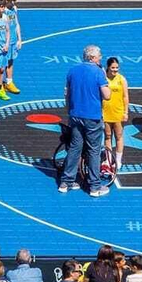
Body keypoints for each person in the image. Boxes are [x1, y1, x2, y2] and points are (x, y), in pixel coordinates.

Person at [61, 45, 110, 197]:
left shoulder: (73, 70)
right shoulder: (98, 72)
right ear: (94, 57)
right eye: (99, 56)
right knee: (94, 150)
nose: (101, 58)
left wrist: (69, 112)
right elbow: (107, 95)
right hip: (92, 117)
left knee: (75, 148)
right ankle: (95, 186)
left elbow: (67, 94)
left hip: (75, 115)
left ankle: (66, 182)